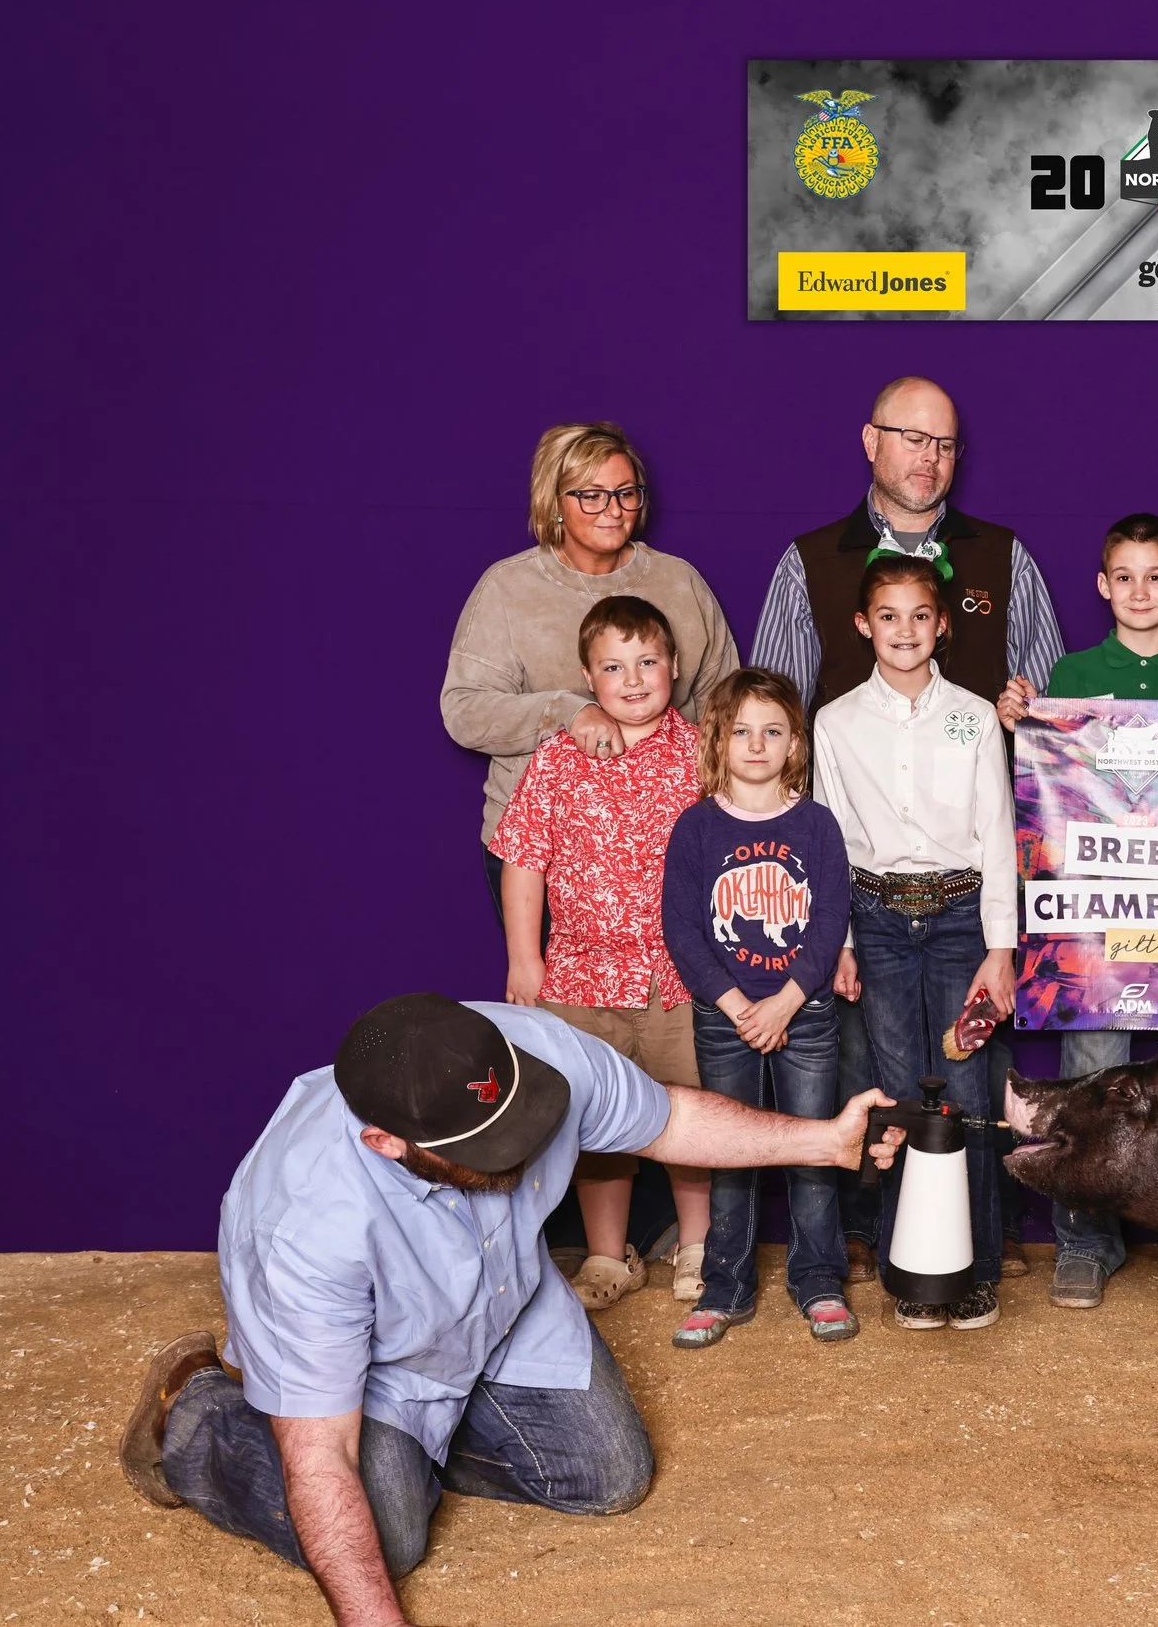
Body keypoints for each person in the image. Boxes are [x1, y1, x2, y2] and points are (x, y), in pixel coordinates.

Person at [119, 993, 902, 1626]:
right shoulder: (306, 1223)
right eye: (484, 1145)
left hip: (504, 1302)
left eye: (517, 1116)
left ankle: (410, 1458)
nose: (521, 1144)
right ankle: (193, 1414)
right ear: (386, 1142)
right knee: (387, 1537)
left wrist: (822, 1141)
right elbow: (319, 1456)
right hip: (383, 1361)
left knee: (609, 1476)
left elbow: (670, 1120)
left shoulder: (534, 1052)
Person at [748, 376, 1063, 1281]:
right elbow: (775, 718)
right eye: (912, 439)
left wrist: (1025, 709)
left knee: (970, 1073)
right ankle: (888, 1248)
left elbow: (1040, 721)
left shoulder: (1002, 558)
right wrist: (823, 910)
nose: (931, 459)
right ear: (871, 442)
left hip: (968, 878)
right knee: (872, 1072)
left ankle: (977, 1250)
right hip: (863, 887)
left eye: (946, 444)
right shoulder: (810, 561)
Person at [997, 513, 1158, 1310]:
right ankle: (1085, 1238)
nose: (1141, 592)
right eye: (1125, 577)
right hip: (1094, 924)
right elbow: (1043, 790)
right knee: (1094, 1074)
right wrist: (1023, 719)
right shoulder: (1071, 675)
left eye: (1157, 577)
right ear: (1103, 585)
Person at [812, 554, 1019, 1330]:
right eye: (888, 617)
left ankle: (975, 1270)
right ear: (865, 625)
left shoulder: (972, 715)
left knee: (965, 1094)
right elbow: (829, 842)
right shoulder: (834, 722)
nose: (905, 631)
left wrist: (1000, 948)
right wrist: (837, 942)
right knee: (899, 1099)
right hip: (879, 924)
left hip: (963, 919)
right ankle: (914, 1271)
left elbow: (997, 833)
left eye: (920, 616)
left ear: (943, 624)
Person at [492, 596, 709, 1314]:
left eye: (648, 661)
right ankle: (609, 1255)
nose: (635, 678)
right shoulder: (559, 758)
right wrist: (527, 962)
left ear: (675, 668)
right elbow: (524, 860)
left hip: (679, 976)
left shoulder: (703, 754)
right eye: (614, 666)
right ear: (589, 676)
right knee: (596, 1125)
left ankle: (698, 1247)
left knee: (688, 1115)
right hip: (581, 974)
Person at [443, 421, 739, 919]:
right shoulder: (508, 589)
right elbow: (464, 710)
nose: (614, 510)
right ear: (554, 501)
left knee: (680, 995)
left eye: (626, 493)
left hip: (671, 846)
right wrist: (567, 711)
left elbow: (725, 705)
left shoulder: (678, 581)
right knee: (557, 995)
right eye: (593, 496)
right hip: (544, 853)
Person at [662, 667, 855, 1346]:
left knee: (813, 1147)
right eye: (741, 731)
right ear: (719, 741)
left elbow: (830, 920)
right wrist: (741, 1003)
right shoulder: (695, 829)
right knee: (730, 1151)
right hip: (726, 1014)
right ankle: (726, 1283)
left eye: (772, 731)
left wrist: (787, 1002)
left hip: (803, 1011)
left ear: (794, 743)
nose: (756, 744)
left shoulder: (816, 825)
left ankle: (820, 1278)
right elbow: (682, 930)